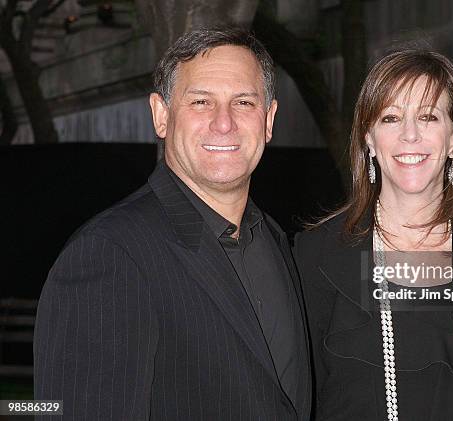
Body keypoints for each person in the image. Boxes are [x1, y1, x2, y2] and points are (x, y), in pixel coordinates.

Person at [34, 28, 311, 420]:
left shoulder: (276, 239)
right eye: (201, 101)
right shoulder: (110, 254)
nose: (224, 123)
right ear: (161, 116)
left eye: (244, 102)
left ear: (268, 120)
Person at [294, 50, 453, 420]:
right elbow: (298, 399)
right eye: (391, 117)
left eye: (428, 116)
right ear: (369, 137)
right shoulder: (315, 256)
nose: (409, 135)